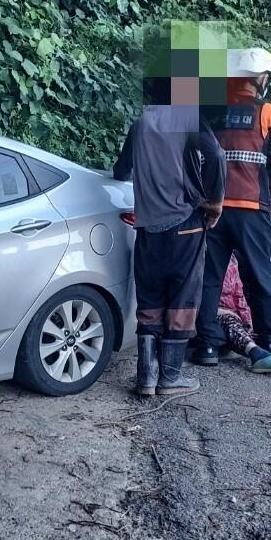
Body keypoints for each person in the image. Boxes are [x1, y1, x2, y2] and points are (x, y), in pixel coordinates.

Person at [114, 76, 226, 397]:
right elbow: (216, 157)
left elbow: (121, 171)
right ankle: (170, 378)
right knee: (181, 299)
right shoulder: (187, 120)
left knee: (149, 299)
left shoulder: (141, 124)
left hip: (147, 226)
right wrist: (215, 202)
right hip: (185, 223)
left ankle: (145, 378)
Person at [193, 48, 271, 365]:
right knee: (259, 275)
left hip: (212, 208)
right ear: (261, 78)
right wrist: (270, 195)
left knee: (209, 277)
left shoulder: (211, 111)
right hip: (252, 208)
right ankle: (268, 341)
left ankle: (207, 345)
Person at [216, 255, 271, 372]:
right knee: (229, 322)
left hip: (236, 317)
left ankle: (249, 343)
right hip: (215, 316)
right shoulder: (202, 259)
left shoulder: (232, 260)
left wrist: (248, 320)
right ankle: (256, 354)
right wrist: (222, 311)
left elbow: (239, 295)